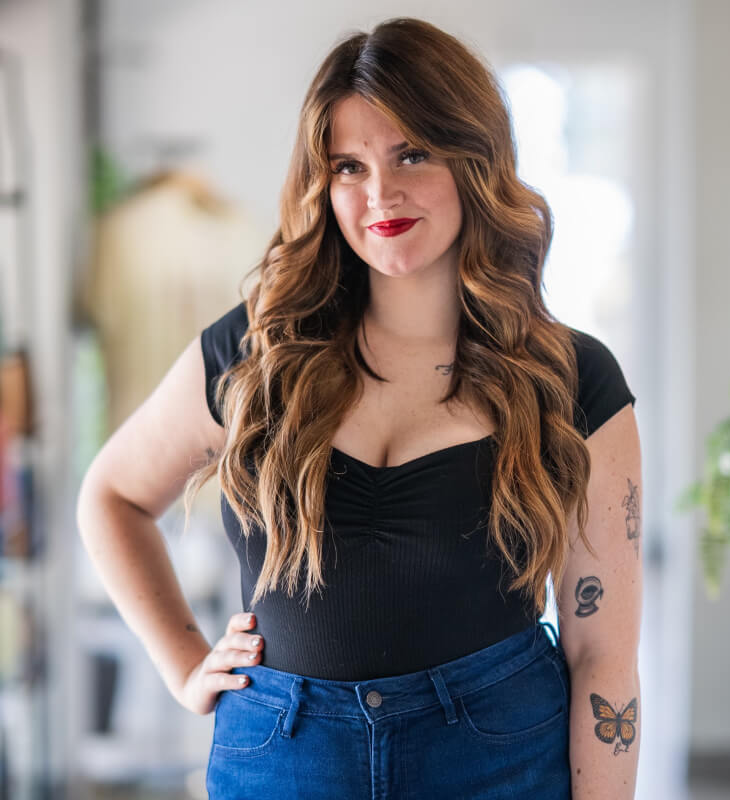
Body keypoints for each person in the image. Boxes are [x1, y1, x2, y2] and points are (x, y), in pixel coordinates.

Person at [76, 16, 642, 800]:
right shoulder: (254, 354)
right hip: (282, 760)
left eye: (412, 153)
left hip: (497, 760)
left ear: (474, 158)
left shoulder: (571, 379)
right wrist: (183, 667)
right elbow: (112, 496)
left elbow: (602, 656)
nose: (381, 193)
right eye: (348, 166)